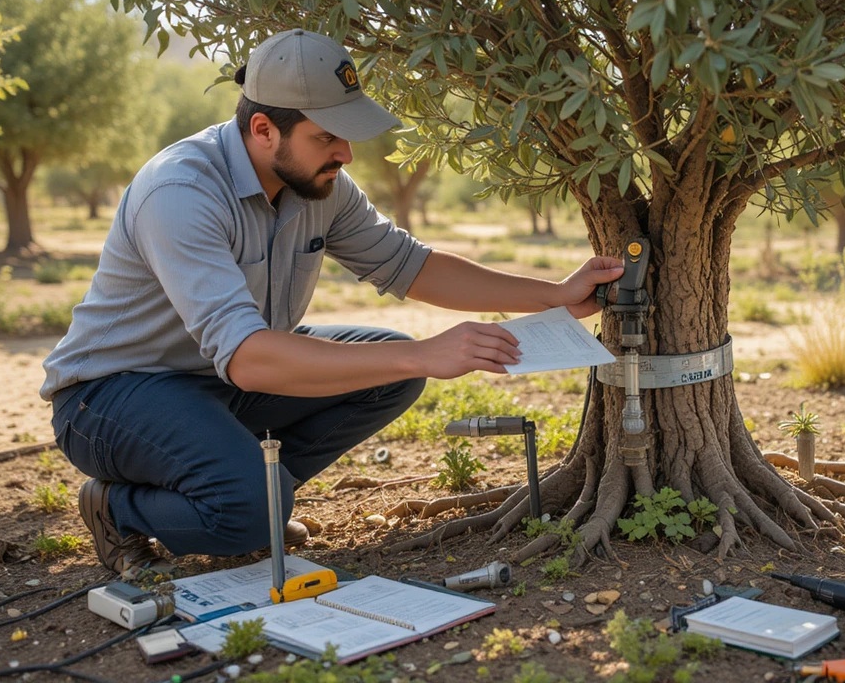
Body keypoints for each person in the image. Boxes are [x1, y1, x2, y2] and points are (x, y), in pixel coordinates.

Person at [40, 29, 623, 578]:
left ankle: (253, 497)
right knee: (265, 491)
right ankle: (127, 508)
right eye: (326, 136)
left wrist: (553, 295)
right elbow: (248, 357)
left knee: (387, 372)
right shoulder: (180, 192)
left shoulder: (319, 184)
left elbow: (410, 264)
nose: (345, 152)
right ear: (264, 129)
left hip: (220, 383)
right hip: (112, 396)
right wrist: (425, 354)